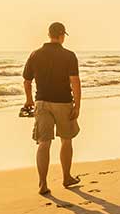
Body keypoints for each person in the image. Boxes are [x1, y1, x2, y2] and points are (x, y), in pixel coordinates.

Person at [23, 22, 81, 195]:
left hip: (41, 103)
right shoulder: (69, 55)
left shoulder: (35, 54)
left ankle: (42, 183)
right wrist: (77, 105)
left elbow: (27, 82)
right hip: (63, 103)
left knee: (43, 143)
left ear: (49, 34)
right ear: (62, 35)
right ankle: (66, 177)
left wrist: (29, 101)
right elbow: (75, 83)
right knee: (66, 140)